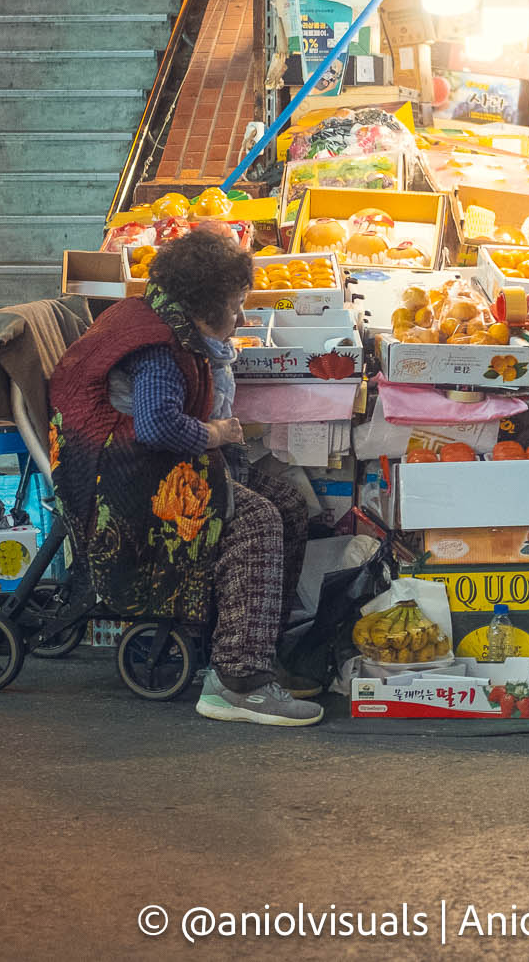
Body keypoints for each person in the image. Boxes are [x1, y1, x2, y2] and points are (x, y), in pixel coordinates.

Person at [47, 227, 323, 726]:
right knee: (257, 520)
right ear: (203, 302)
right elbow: (156, 425)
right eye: (235, 305)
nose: (240, 318)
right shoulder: (158, 350)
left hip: (155, 468)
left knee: (285, 502)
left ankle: (260, 652)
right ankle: (237, 681)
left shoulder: (166, 321)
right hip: (126, 483)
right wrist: (216, 433)